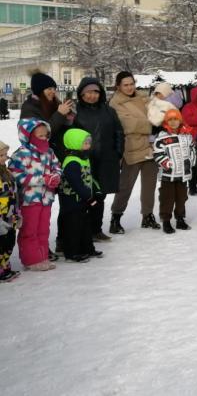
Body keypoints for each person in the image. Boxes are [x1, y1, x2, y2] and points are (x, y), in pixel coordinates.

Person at [72, 77, 124, 242]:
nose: (92, 95)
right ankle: (82, 231)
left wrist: (118, 153)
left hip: (106, 160)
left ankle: (96, 229)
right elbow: (68, 136)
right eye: (88, 92)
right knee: (84, 196)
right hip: (84, 161)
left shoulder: (109, 111)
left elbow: (119, 133)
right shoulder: (74, 111)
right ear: (81, 94)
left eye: (95, 92)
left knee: (100, 196)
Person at [109, 72, 160, 232]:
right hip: (131, 148)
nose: (130, 87)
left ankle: (147, 215)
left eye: (132, 83)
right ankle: (115, 217)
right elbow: (127, 124)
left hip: (150, 147)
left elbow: (157, 112)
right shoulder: (115, 103)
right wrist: (151, 125)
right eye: (126, 85)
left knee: (149, 185)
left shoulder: (143, 97)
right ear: (118, 86)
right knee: (125, 186)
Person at [9, 119, 62, 272]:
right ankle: (31, 259)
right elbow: (16, 175)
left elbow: (57, 167)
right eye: (40, 136)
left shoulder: (49, 152)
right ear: (28, 136)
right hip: (29, 200)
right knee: (29, 230)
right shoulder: (20, 154)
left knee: (44, 228)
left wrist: (56, 177)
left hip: (46, 199)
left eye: (46, 136)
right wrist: (41, 180)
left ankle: (42, 256)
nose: (44, 139)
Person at [57, 129, 103, 263]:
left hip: (83, 199)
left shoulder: (83, 158)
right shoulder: (72, 162)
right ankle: (72, 253)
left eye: (89, 142)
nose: (89, 145)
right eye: (85, 143)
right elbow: (76, 183)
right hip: (71, 200)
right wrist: (89, 198)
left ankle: (87, 248)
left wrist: (97, 190)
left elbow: (89, 177)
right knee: (73, 226)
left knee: (85, 224)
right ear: (75, 143)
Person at [153, 109, 196, 235]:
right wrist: (166, 163)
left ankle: (180, 218)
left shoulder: (187, 136)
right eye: (170, 119)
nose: (173, 122)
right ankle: (166, 220)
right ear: (166, 121)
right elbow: (157, 153)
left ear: (180, 120)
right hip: (168, 174)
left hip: (183, 173)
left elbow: (192, 149)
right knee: (167, 198)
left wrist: (191, 161)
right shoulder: (162, 137)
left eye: (175, 119)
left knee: (181, 197)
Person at [0, 140, 21, 282]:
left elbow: (14, 192)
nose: (4, 157)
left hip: (11, 213)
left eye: (5, 154)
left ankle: (5, 266)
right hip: (1, 216)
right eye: (1, 155)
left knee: (9, 241)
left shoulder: (6, 171)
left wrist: (17, 212)